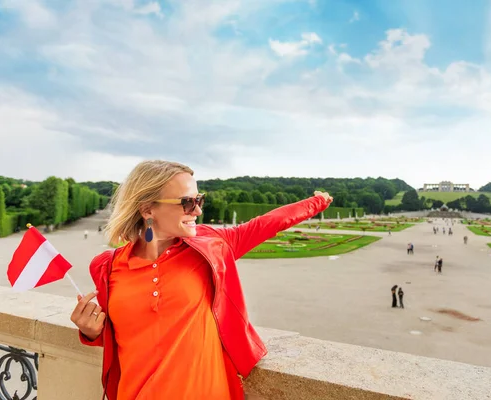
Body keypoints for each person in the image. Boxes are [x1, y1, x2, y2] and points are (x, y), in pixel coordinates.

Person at [69, 160, 333, 400]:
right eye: (186, 202)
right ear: (148, 209)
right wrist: (91, 332)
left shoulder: (212, 247)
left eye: (199, 200)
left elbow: (266, 223)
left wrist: (316, 202)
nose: (196, 210)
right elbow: (124, 332)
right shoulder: (106, 267)